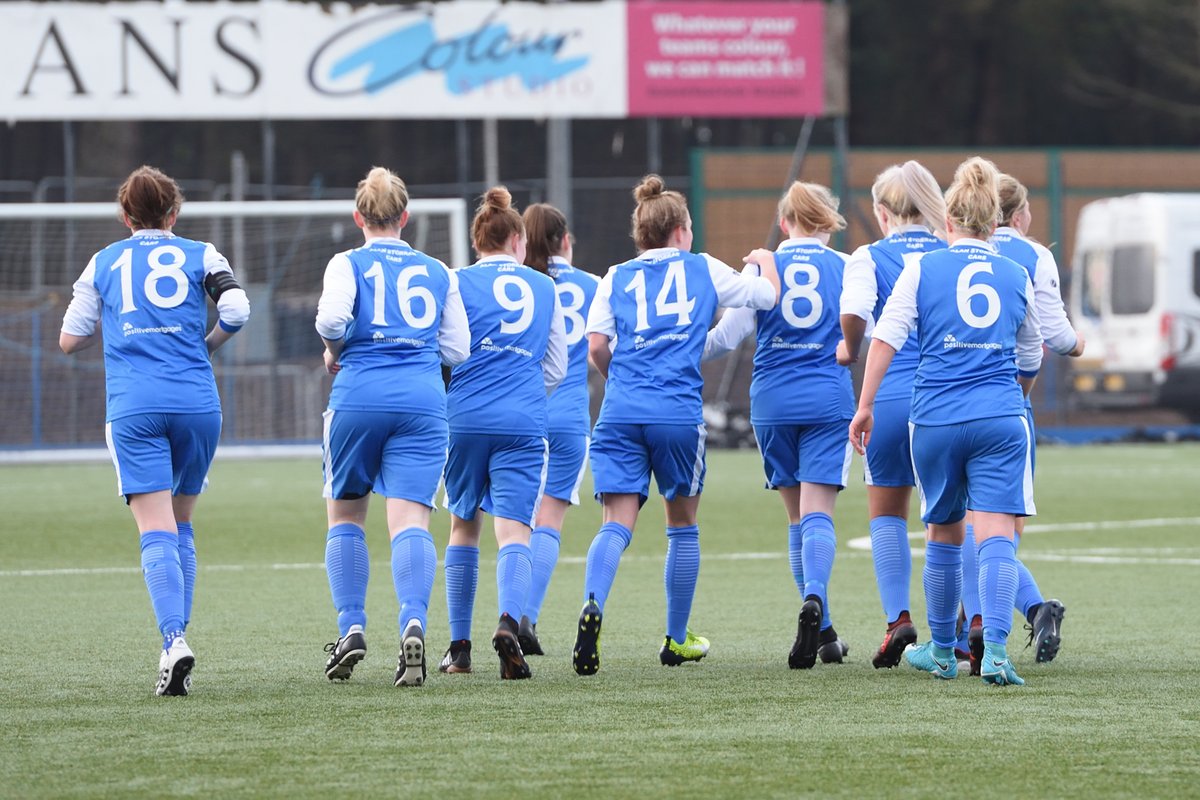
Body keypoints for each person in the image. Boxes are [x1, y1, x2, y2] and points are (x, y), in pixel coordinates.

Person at [572, 174, 780, 676]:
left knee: (616, 524)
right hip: (676, 415)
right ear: (682, 230)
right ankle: (676, 637)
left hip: (620, 412)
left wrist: (618, 380)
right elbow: (765, 297)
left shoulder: (614, 275)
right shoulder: (703, 267)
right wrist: (766, 263)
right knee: (682, 526)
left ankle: (593, 604)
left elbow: (596, 345)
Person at [849, 156, 1043, 687]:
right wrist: (1014, 397)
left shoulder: (922, 268)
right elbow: (1033, 353)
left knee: (943, 532)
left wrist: (865, 405)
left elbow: (886, 336)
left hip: (934, 417)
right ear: (992, 223)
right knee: (997, 531)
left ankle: (940, 650)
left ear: (949, 223)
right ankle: (998, 653)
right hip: (1001, 416)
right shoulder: (1016, 271)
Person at [59, 166, 251, 696]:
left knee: (154, 529)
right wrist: (205, 345)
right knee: (181, 523)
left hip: (135, 407)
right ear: (175, 213)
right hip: (196, 403)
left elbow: (71, 339)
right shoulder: (202, 252)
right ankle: (176, 644)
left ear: (125, 216)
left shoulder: (103, 262)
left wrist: (119, 327)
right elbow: (237, 308)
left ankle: (173, 639)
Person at [315, 167, 470, 687]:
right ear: (405, 217)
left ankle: (352, 627)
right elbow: (458, 349)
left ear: (358, 217)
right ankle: (414, 620)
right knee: (410, 523)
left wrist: (336, 352)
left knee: (346, 517)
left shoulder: (346, 262)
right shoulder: (438, 270)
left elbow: (331, 321)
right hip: (424, 403)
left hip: (358, 397)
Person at [702, 181, 852, 669]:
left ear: (785, 223)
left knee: (796, 518)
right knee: (818, 514)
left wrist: (676, 350)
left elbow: (727, 337)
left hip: (772, 401)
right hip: (828, 398)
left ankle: (824, 630)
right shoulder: (848, 267)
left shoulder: (763, 266)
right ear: (827, 223)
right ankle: (814, 599)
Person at [956, 172, 1086, 672]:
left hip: (954, 401)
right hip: (1012, 406)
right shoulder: (1034, 255)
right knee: (1001, 531)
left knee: (967, 528)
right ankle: (1023, 614)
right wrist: (1079, 343)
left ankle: (983, 636)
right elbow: (1053, 337)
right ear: (1019, 214)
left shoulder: (949, 254)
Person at [439, 187, 568, 680]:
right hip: (523, 419)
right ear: (517, 239)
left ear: (478, 241)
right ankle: (509, 622)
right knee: (515, 528)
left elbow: (447, 349)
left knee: (463, 525)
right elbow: (555, 366)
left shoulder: (455, 282)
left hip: (465, 416)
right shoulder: (544, 286)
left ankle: (459, 649)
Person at [838, 161, 948, 669]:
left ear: (882, 213)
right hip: (944, 397)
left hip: (887, 398)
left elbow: (855, 311)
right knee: (951, 518)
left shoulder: (869, 255)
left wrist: (850, 348)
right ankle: (968, 625)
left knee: (885, 513)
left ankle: (897, 619)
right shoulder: (952, 252)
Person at [516, 203, 600, 657]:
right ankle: (526, 616)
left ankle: (497, 619)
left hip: (524, 411)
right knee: (550, 520)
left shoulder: (522, 286)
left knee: (514, 523)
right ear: (566, 240)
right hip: (570, 417)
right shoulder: (593, 285)